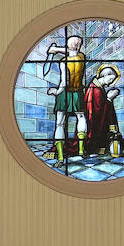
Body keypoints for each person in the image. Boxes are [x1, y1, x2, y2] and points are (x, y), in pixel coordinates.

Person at [45, 34, 87, 162]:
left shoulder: (64, 62)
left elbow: (64, 82)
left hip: (64, 93)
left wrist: (56, 92)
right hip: (77, 92)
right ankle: (81, 150)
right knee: (81, 117)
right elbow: (72, 51)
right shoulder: (82, 58)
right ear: (79, 46)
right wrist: (57, 49)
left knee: (60, 123)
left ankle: (60, 156)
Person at [84, 63, 124, 156]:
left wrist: (108, 99)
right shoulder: (95, 89)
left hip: (95, 124)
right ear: (105, 75)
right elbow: (98, 111)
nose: (110, 83)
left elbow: (101, 108)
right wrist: (109, 98)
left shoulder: (98, 87)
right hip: (93, 127)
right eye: (111, 79)